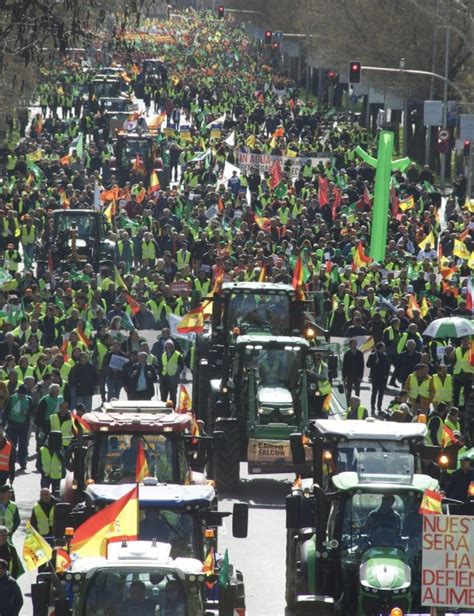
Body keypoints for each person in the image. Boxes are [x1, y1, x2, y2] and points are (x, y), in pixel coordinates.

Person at [2, 384, 33, 470]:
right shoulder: (12, 398)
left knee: (23, 445)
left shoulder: (29, 400)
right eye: (20, 394)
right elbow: (6, 411)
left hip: (23, 426)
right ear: (17, 392)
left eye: (23, 394)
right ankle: (10, 462)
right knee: (11, 445)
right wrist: (3, 423)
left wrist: (26, 413)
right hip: (12, 425)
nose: (21, 396)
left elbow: (32, 412)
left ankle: (22, 462)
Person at [366, 342, 390, 416]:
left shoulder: (385, 355)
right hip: (375, 377)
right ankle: (373, 407)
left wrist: (386, 375)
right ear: (379, 348)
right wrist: (374, 363)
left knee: (381, 394)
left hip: (383, 378)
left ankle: (379, 407)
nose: (384, 349)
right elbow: (368, 365)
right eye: (383, 347)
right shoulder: (373, 355)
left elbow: (388, 366)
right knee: (374, 393)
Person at [158, 339, 184, 406]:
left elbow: (181, 365)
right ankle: (163, 409)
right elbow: (160, 365)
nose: (169, 348)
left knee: (172, 396)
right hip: (164, 377)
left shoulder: (178, 355)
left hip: (173, 378)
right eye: (167, 347)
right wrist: (160, 374)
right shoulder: (163, 354)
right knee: (163, 395)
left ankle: (172, 409)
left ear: (173, 347)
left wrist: (177, 373)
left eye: (170, 346)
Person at [342, 338, 364, 403]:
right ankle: (348, 404)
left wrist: (360, 377)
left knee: (357, 391)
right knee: (348, 391)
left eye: (355, 344)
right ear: (350, 345)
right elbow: (344, 366)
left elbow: (362, 366)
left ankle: (357, 404)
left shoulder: (360, 353)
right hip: (349, 375)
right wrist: (344, 376)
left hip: (357, 375)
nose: (355, 345)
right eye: (353, 343)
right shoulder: (347, 354)